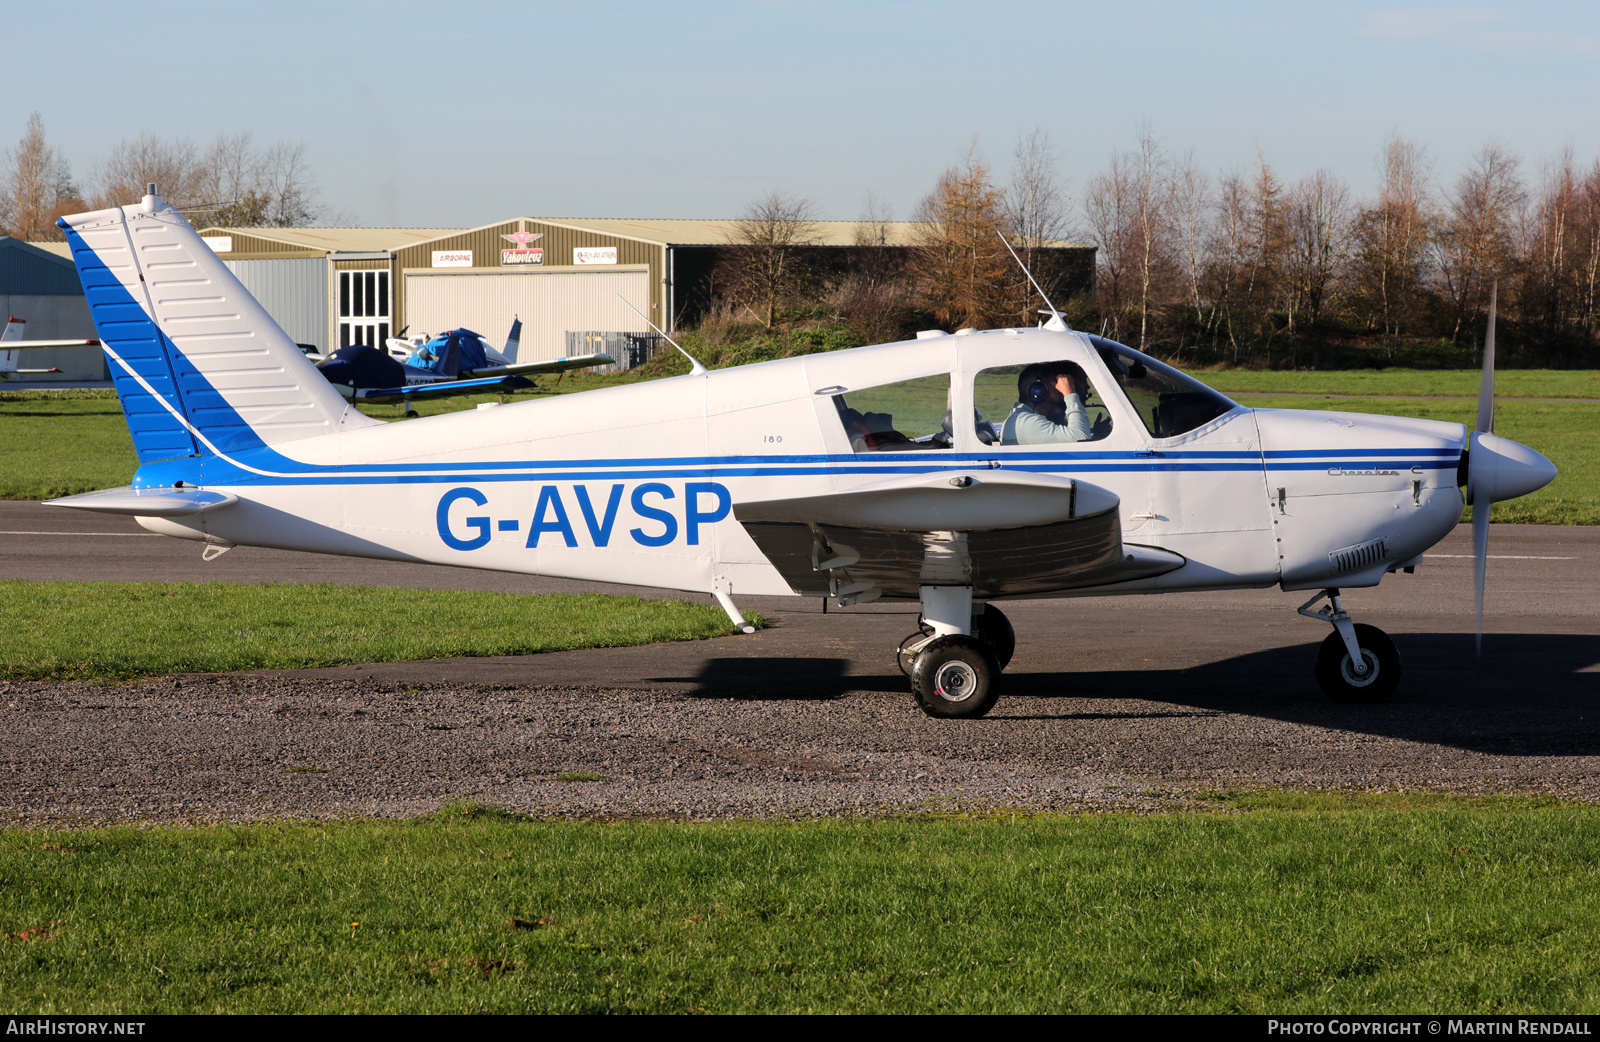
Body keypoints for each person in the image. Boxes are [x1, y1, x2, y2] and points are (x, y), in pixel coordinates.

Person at [1001, 361, 1092, 444]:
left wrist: (1098, 433)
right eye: (1060, 385)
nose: (1087, 386)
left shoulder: (1046, 419)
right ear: (1038, 390)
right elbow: (1081, 439)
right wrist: (1070, 394)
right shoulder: (1026, 423)